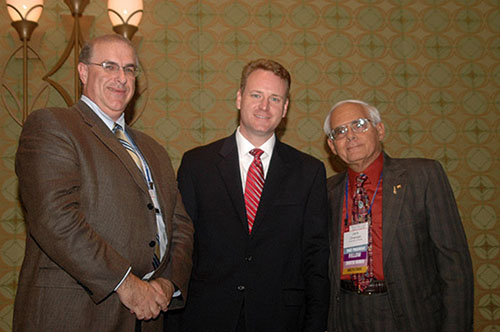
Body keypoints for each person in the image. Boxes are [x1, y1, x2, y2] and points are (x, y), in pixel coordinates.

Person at [13, 34, 194, 332]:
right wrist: (127, 284)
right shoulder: (52, 125)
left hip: (146, 319)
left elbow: (181, 226)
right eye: (109, 66)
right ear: (83, 72)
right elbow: (55, 217)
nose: (121, 78)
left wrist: (167, 283)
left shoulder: (153, 150)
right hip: (74, 315)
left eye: (129, 69)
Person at [169, 59, 329, 332]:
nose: (264, 106)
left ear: (285, 108)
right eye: (256, 95)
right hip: (206, 317)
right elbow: (181, 246)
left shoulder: (309, 172)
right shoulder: (197, 165)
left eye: (275, 98)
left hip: (282, 319)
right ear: (239, 99)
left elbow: (315, 257)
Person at [323, 99, 474, 332]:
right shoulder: (326, 192)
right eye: (340, 131)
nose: (350, 135)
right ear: (332, 146)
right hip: (347, 314)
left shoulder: (422, 176)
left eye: (359, 124)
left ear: (380, 130)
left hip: (410, 314)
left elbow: (454, 266)